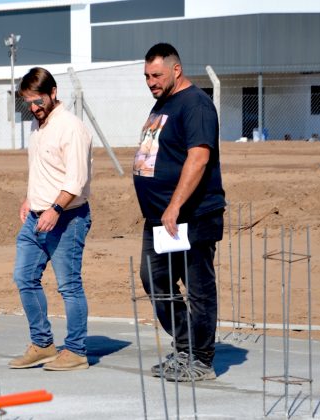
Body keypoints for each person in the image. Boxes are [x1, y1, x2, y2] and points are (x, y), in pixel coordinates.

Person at [134, 43, 226, 381]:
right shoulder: (164, 103)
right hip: (161, 218)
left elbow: (198, 157)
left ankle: (201, 360)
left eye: (156, 75)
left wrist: (174, 204)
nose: (150, 81)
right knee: (155, 280)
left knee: (198, 287)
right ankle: (186, 347)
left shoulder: (196, 105)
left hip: (192, 216)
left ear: (176, 70)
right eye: (146, 76)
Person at [8, 67, 93, 371]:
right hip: (36, 217)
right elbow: (43, 169)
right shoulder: (38, 126)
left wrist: (55, 210)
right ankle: (43, 344)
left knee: (69, 285)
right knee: (23, 276)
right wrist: (31, 198)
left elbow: (76, 179)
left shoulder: (70, 127)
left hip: (67, 217)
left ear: (53, 93)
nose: (33, 108)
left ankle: (76, 350)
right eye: (28, 103)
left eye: (38, 101)